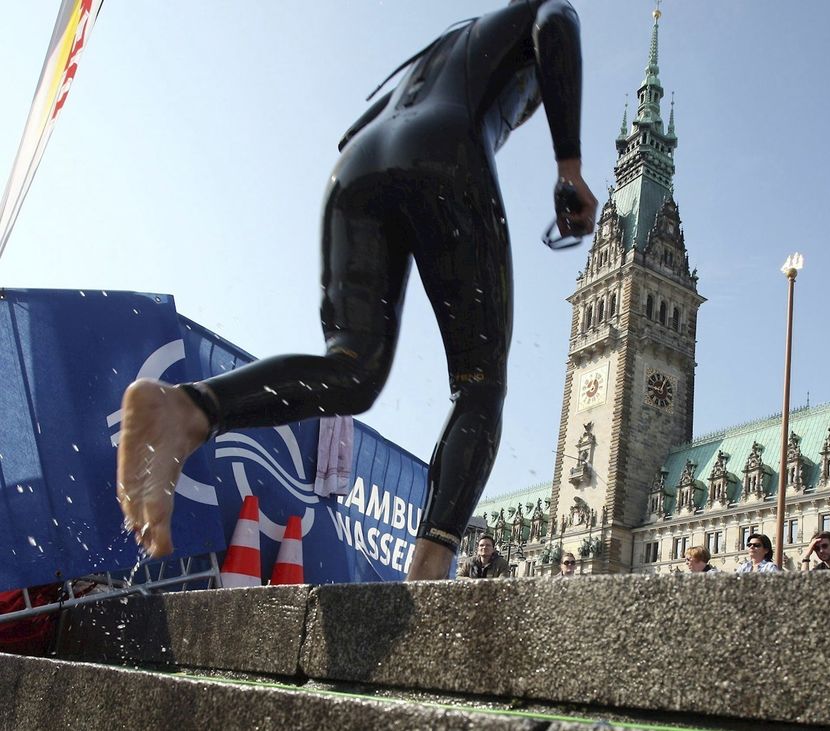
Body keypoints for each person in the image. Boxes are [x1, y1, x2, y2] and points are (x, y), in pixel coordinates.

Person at [113, 0, 599, 580]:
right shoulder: (535, 12)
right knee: (480, 385)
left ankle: (191, 405)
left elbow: (363, 127)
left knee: (354, 370)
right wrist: (569, 166)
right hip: (445, 151)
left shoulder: (444, 49)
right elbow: (555, 23)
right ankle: (430, 565)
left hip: (356, 168)